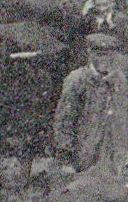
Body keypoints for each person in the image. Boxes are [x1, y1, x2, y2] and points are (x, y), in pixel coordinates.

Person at [53, 33, 128, 176]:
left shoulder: (120, 81)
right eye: (99, 55)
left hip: (114, 156)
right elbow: (64, 120)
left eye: (108, 55)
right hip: (85, 155)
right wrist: (66, 158)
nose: (104, 60)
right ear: (90, 54)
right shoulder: (78, 80)